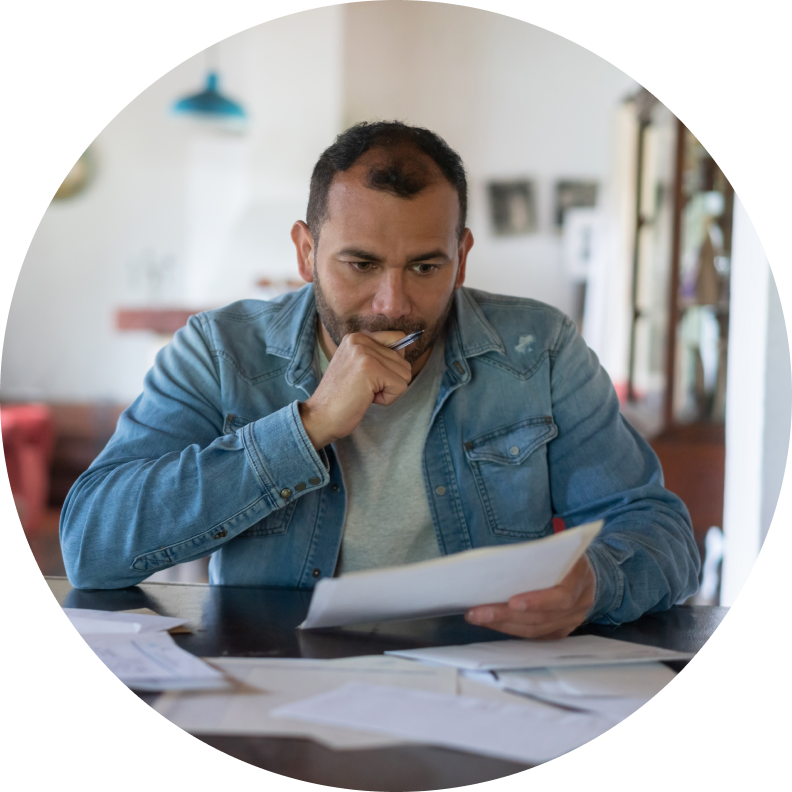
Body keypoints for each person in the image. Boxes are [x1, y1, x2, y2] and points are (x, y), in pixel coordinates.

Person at [60, 121, 700, 638]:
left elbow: (659, 529)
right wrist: (307, 429)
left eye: (426, 266)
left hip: (486, 681)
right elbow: (91, 545)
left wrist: (596, 583)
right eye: (359, 263)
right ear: (306, 251)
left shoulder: (540, 348)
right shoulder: (220, 351)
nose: (392, 303)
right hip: (281, 679)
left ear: (463, 255)